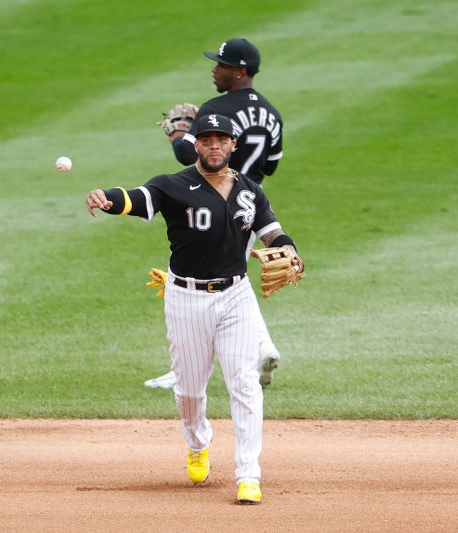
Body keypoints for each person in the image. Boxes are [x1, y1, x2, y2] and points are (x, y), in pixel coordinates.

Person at [85, 114, 304, 505]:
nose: (214, 146)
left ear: (233, 145)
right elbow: (139, 198)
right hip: (186, 298)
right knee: (189, 390)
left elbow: (271, 231)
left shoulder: (250, 190)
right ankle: (198, 442)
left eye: (221, 139)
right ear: (197, 145)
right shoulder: (173, 185)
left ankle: (248, 474)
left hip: (236, 295)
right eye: (207, 139)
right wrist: (106, 197)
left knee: (245, 383)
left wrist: (290, 249)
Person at [145, 37, 285, 390]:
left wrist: (179, 132)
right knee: (235, 282)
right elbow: (271, 164)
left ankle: (186, 371)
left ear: (239, 71)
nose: (214, 69)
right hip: (252, 202)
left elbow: (186, 155)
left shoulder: (217, 108)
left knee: (198, 278)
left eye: (221, 64)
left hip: (214, 200)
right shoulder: (272, 113)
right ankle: (262, 347)